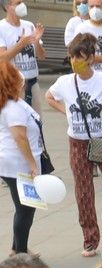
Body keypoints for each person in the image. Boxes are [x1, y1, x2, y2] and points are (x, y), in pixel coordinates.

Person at [44, 35, 102, 257]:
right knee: (83, 190)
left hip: (100, 140)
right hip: (77, 141)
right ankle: (90, 239)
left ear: (92, 58)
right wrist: (65, 112)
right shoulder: (65, 82)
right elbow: (49, 96)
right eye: (73, 56)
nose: (75, 61)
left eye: (80, 57)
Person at [0, 62, 40, 256]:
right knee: (26, 208)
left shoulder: (12, 102)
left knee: (24, 207)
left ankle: (18, 248)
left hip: (14, 163)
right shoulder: (13, 106)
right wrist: (32, 164)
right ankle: (21, 252)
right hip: (19, 164)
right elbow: (20, 137)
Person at [0, 0, 43, 104]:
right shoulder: (1, 27)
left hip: (33, 83)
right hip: (13, 84)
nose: (22, 5)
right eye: (18, 3)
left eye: (22, 2)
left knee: (36, 119)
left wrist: (37, 42)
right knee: (17, 119)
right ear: (7, 7)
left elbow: (41, 56)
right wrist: (21, 44)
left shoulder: (29, 25)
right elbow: (2, 59)